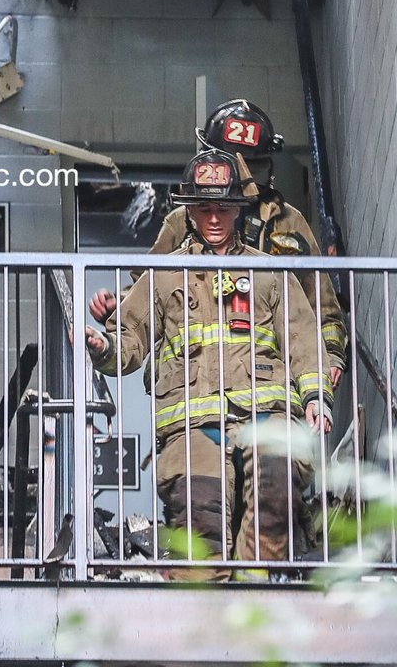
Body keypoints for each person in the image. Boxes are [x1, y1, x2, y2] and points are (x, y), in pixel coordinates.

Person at [85, 149, 333, 577]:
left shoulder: (269, 273)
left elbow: (303, 337)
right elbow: (129, 338)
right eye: (204, 209)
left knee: (277, 492)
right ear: (190, 212)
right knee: (200, 527)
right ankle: (211, 628)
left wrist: (316, 396)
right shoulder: (163, 276)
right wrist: (102, 347)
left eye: (223, 208)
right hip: (192, 428)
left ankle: (257, 604)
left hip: (266, 415)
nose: (214, 218)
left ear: (238, 211)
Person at [90, 98, 348, 387]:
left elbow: (321, 303)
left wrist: (331, 356)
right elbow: (149, 288)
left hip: (268, 376)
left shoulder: (289, 221)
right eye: (236, 166)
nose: (247, 178)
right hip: (193, 380)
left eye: (255, 167)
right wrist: (117, 305)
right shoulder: (182, 220)